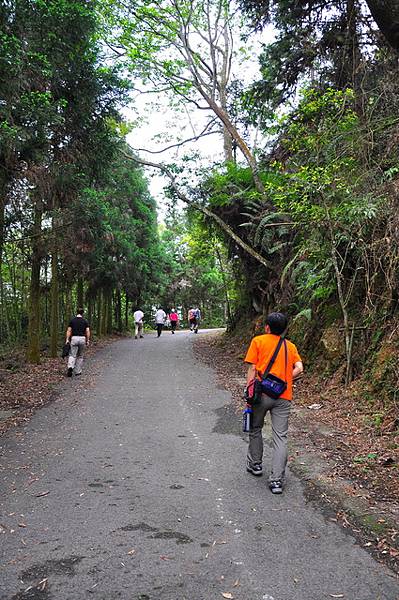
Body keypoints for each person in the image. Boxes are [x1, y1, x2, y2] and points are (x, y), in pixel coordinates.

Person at [244, 312, 303, 495]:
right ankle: (276, 481)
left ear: (267, 327)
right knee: (280, 437)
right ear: (284, 329)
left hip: (261, 394)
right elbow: (299, 368)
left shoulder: (258, 341)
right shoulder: (290, 346)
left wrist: (248, 392)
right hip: (283, 396)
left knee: (255, 427)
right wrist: (285, 380)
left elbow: (253, 368)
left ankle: (256, 465)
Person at [65, 308, 90, 377]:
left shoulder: (72, 320)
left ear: (77, 312)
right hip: (82, 339)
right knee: (80, 355)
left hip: (74, 338)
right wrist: (87, 340)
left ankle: (70, 367)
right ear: (83, 313)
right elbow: (87, 331)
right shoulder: (85, 321)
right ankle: (78, 371)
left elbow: (69, 330)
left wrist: (67, 339)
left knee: (72, 354)